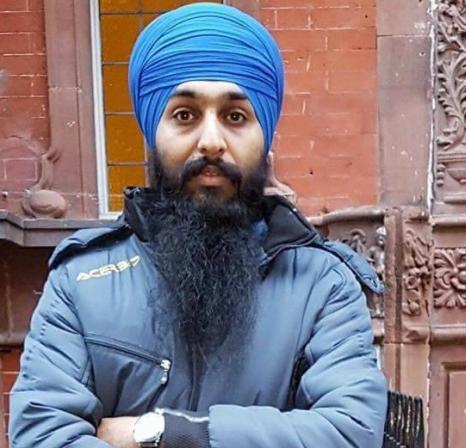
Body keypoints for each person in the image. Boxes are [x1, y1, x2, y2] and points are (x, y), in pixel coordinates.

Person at [9, 4, 387, 447]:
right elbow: (43, 436)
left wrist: (166, 433)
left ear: (265, 136)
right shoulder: (81, 282)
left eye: (235, 117)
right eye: (185, 115)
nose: (210, 142)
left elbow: (350, 432)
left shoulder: (321, 285)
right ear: (153, 133)